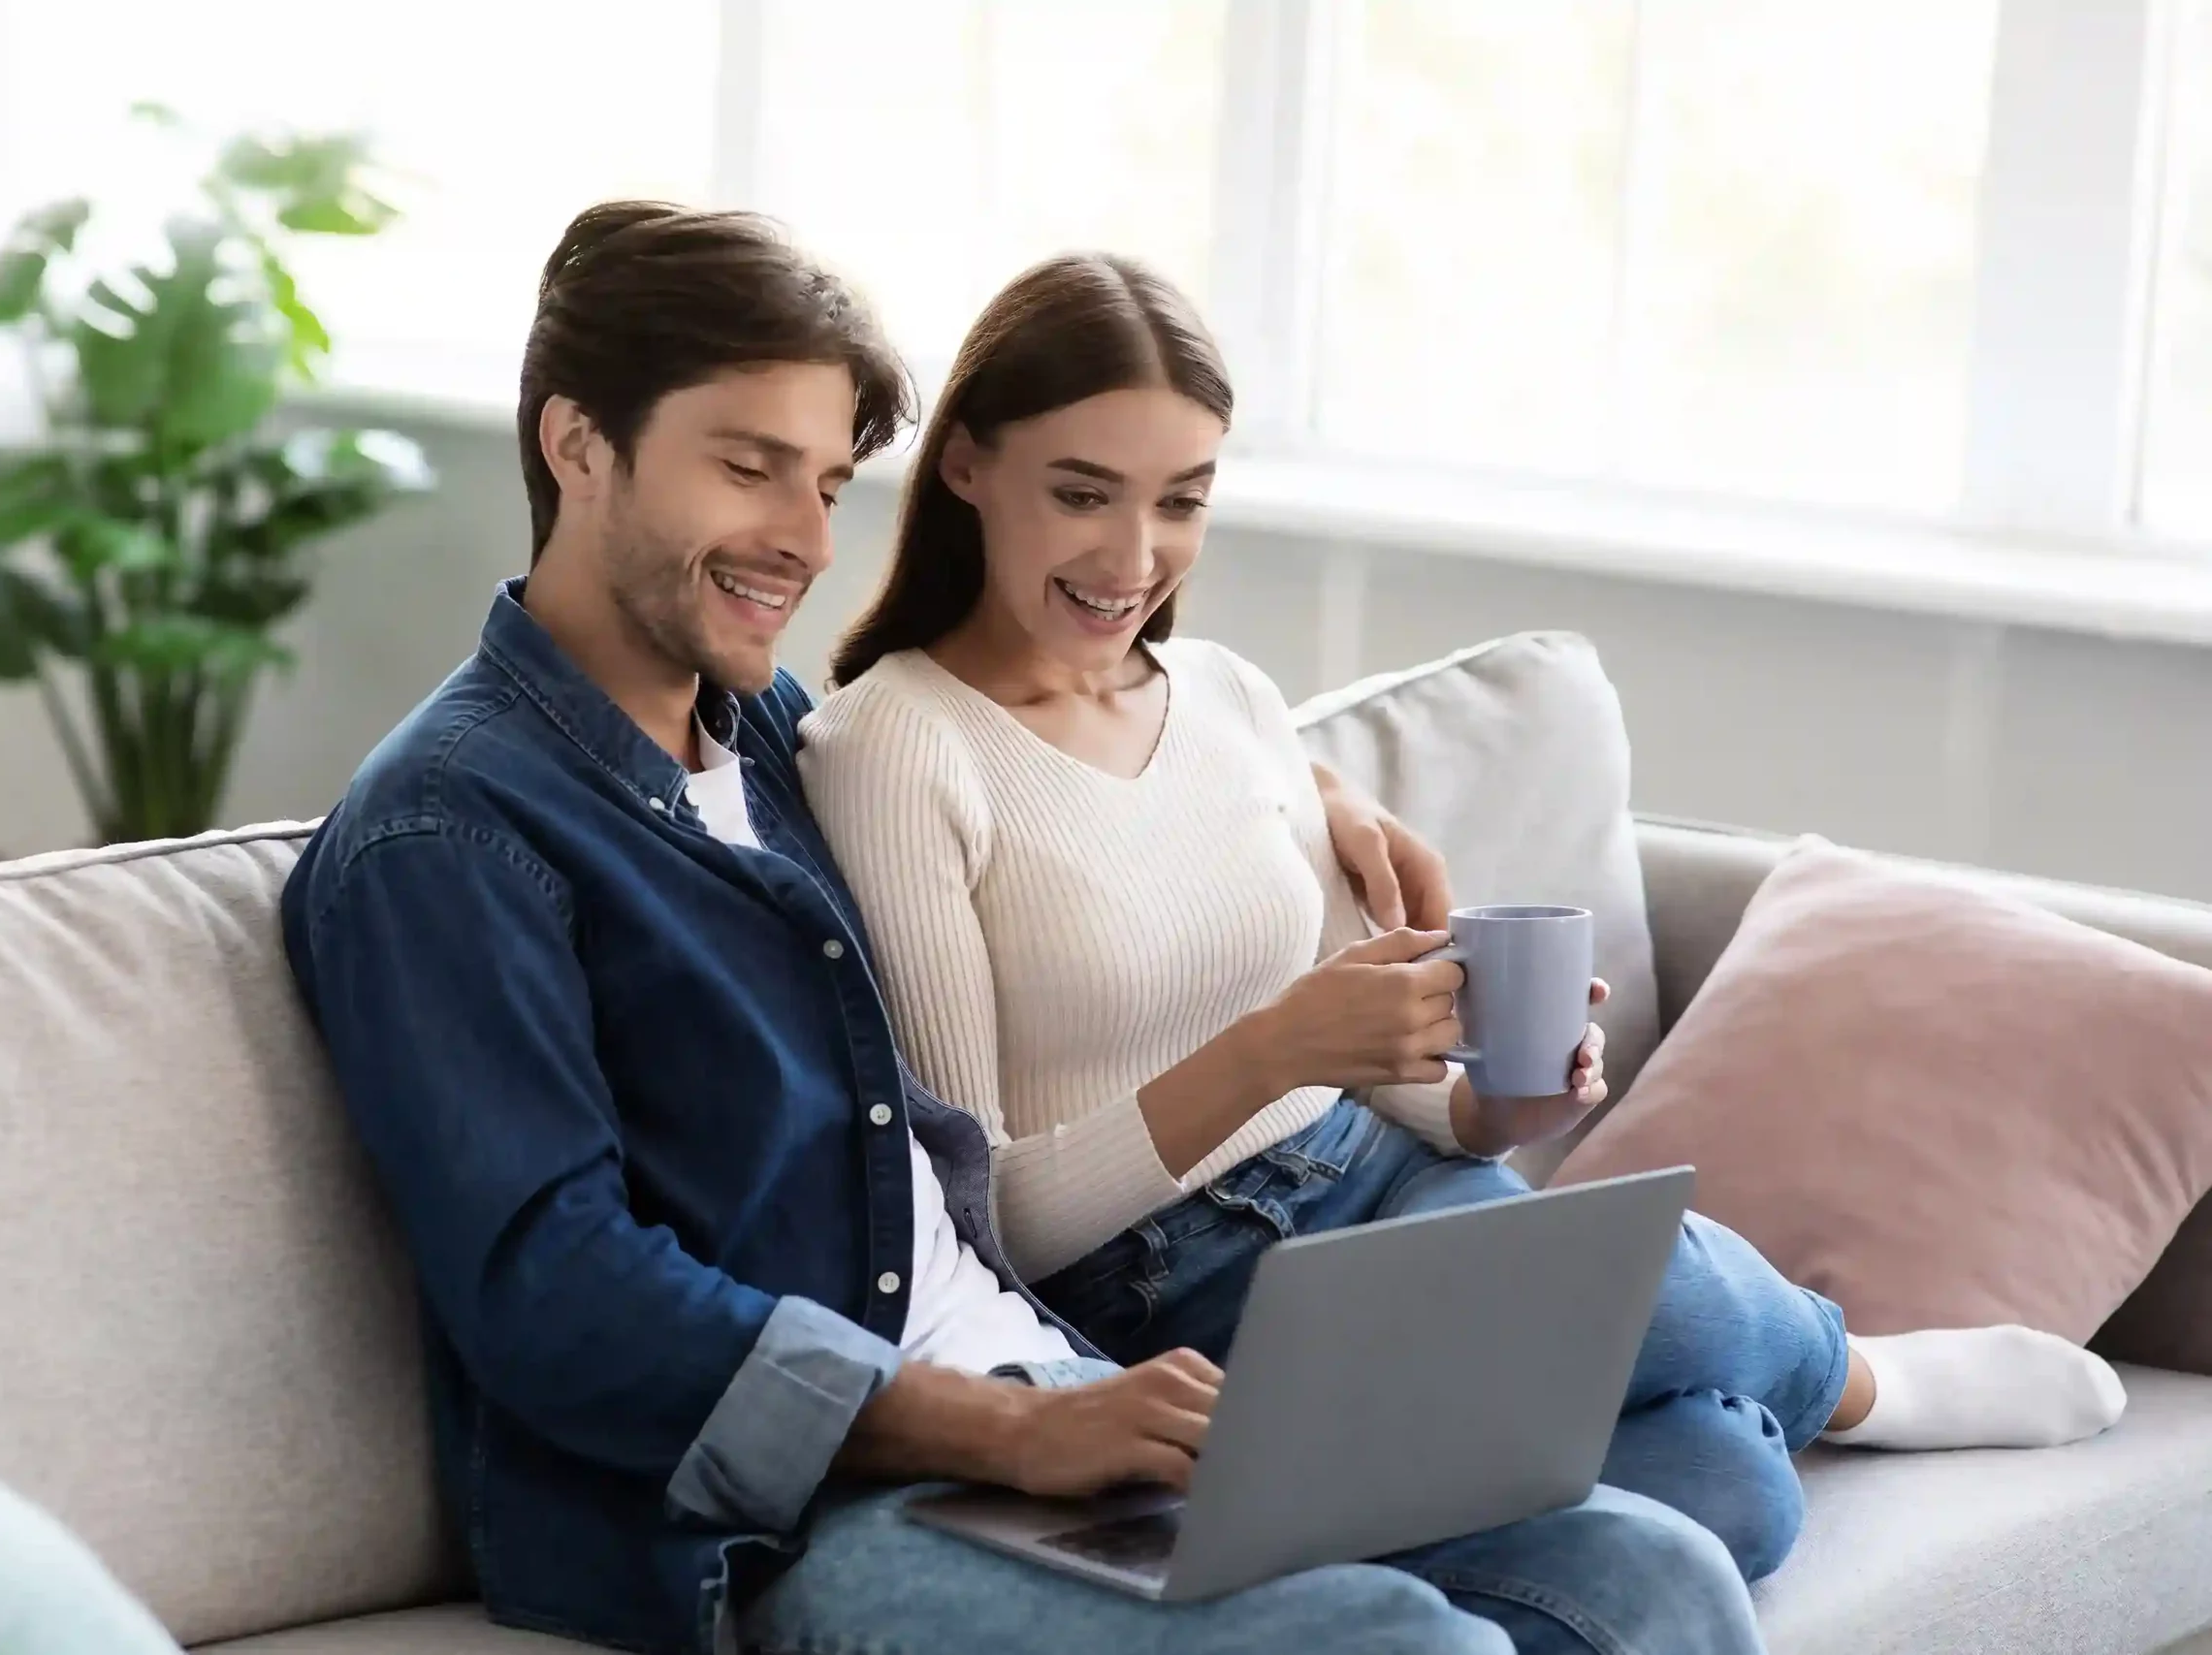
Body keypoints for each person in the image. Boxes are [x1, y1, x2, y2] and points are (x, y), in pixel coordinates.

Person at [279, 200, 1772, 1655]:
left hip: (1056, 1384)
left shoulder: (767, 731)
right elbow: (558, 1296)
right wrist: (1002, 1428)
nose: (805, 539)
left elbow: (1013, 774)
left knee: (1658, 1571)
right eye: (749, 467)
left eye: (829, 482)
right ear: (577, 445)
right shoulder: (447, 836)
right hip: (811, 1512)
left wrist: (1299, 790)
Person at [795, 251, 2132, 1589]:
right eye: (1082, 493)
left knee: (1722, 1465)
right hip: (1170, 1289)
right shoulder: (897, 747)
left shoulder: (1228, 695)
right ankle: (1860, 1382)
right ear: (965, 465)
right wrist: (1275, 1052)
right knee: (1692, 1382)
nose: (1134, 558)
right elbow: (990, 1220)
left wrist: (1493, 1103)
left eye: (1182, 501)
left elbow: (1372, 1054)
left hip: (1386, 1175)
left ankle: (1452, 1460)